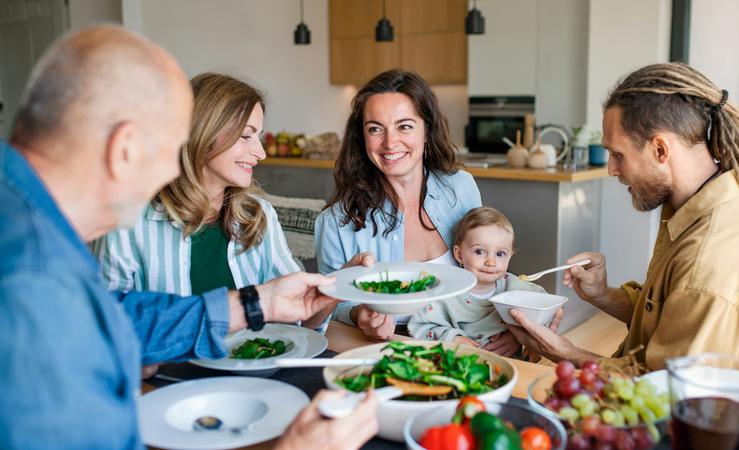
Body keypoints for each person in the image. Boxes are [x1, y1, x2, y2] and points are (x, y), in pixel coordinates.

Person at [0, 26, 377, 450]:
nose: (173, 172)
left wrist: (258, 304)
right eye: (171, 148)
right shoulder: (32, 280)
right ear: (125, 147)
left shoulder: (24, 215)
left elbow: (113, 317)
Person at [505, 62, 739, 385]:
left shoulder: (711, 260)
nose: (612, 170)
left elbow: (661, 390)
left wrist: (564, 352)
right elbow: (671, 314)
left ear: (660, 149)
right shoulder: (713, 200)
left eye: (618, 155)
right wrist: (601, 294)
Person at [93, 73, 299, 300]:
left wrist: (332, 291)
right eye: (245, 136)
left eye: (258, 138)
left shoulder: (260, 216)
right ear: (203, 132)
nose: (261, 153)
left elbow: (299, 312)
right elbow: (103, 320)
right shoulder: (128, 221)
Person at [311, 69, 482, 339]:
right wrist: (358, 315)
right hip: (393, 345)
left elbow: (486, 267)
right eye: (375, 129)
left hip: (470, 335)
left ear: (427, 131)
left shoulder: (462, 188)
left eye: (404, 126)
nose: (390, 143)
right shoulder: (334, 223)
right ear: (362, 138)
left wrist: (505, 326)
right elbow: (332, 304)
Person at [408, 207, 545, 356]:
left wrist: (521, 337)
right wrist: (452, 338)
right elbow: (419, 327)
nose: (491, 262)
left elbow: (548, 309)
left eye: (500, 254)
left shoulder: (515, 287)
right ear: (459, 255)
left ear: (510, 256)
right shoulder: (447, 294)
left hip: (515, 369)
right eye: (480, 252)